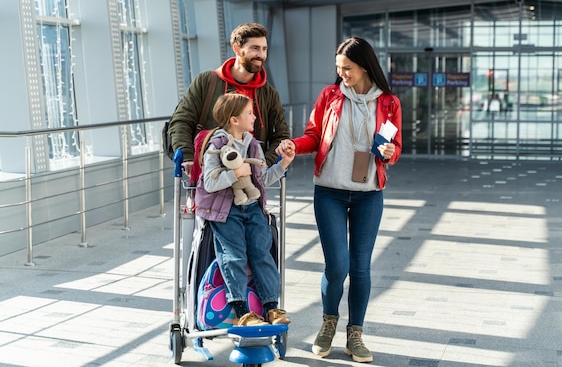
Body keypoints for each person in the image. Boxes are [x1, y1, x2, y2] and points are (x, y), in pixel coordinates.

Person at [277, 37, 402, 363]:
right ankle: (328, 324)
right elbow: (314, 136)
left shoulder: (389, 103)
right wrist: (294, 145)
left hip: (368, 194)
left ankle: (355, 334)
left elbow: (395, 146)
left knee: (360, 268)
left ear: (364, 66)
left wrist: (390, 152)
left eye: (346, 68)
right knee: (338, 266)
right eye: (338, 68)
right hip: (329, 191)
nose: (341, 73)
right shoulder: (331, 96)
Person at [195, 92, 294, 326]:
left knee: (262, 254)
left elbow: (260, 179)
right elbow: (210, 182)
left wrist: (284, 164)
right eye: (249, 113)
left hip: (252, 207)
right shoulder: (217, 144)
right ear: (233, 119)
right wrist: (234, 174)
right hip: (225, 211)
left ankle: (271, 307)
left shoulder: (252, 145)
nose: (255, 117)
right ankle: (242, 312)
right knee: (234, 256)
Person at [168, 22, 290, 174]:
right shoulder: (207, 82)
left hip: (249, 177)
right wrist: (187, 156)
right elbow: (181, 121)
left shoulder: (269, 94)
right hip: (210, 173)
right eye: (255, 48)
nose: (261, 55)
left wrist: (262, 163)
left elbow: (281, 136)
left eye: (264, 49)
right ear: (237, 49)